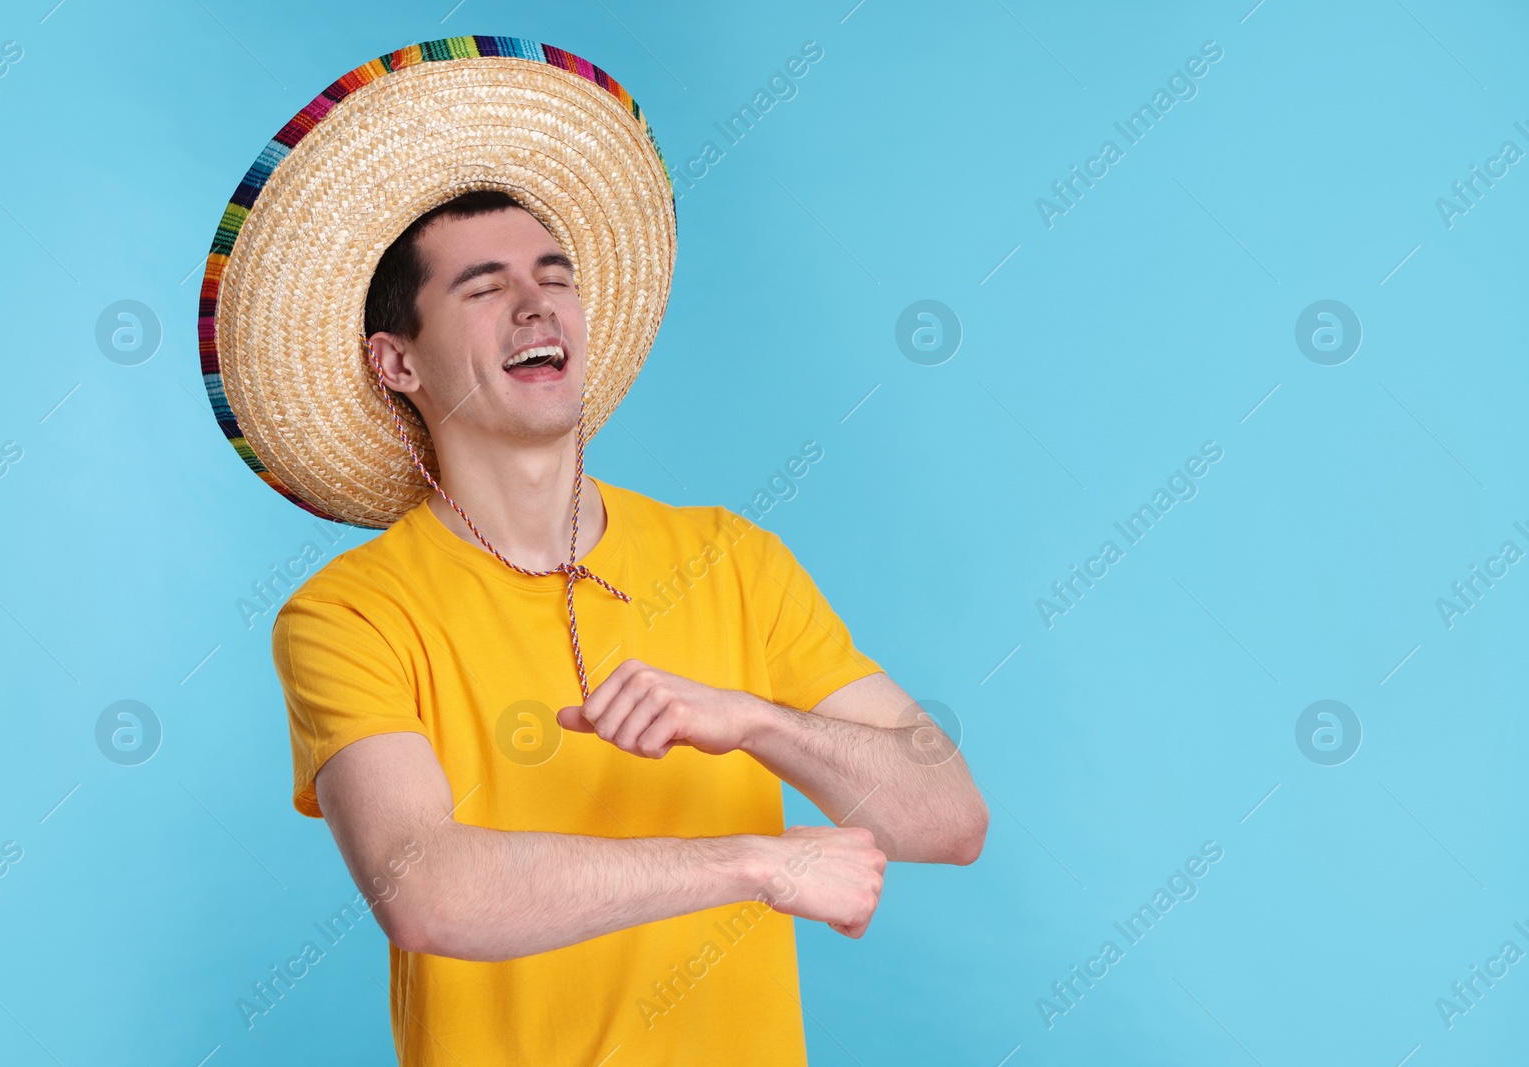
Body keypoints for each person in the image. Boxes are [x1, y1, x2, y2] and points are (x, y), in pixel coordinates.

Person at [200, 36, 987, 1067]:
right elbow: (423, 885)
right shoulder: (350, 615)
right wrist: (755, 859)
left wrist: (752, 719)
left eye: (552, 274)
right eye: (482, 287)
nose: (535, 303)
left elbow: (950, 814)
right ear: (395, 360)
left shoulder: (731, 557)